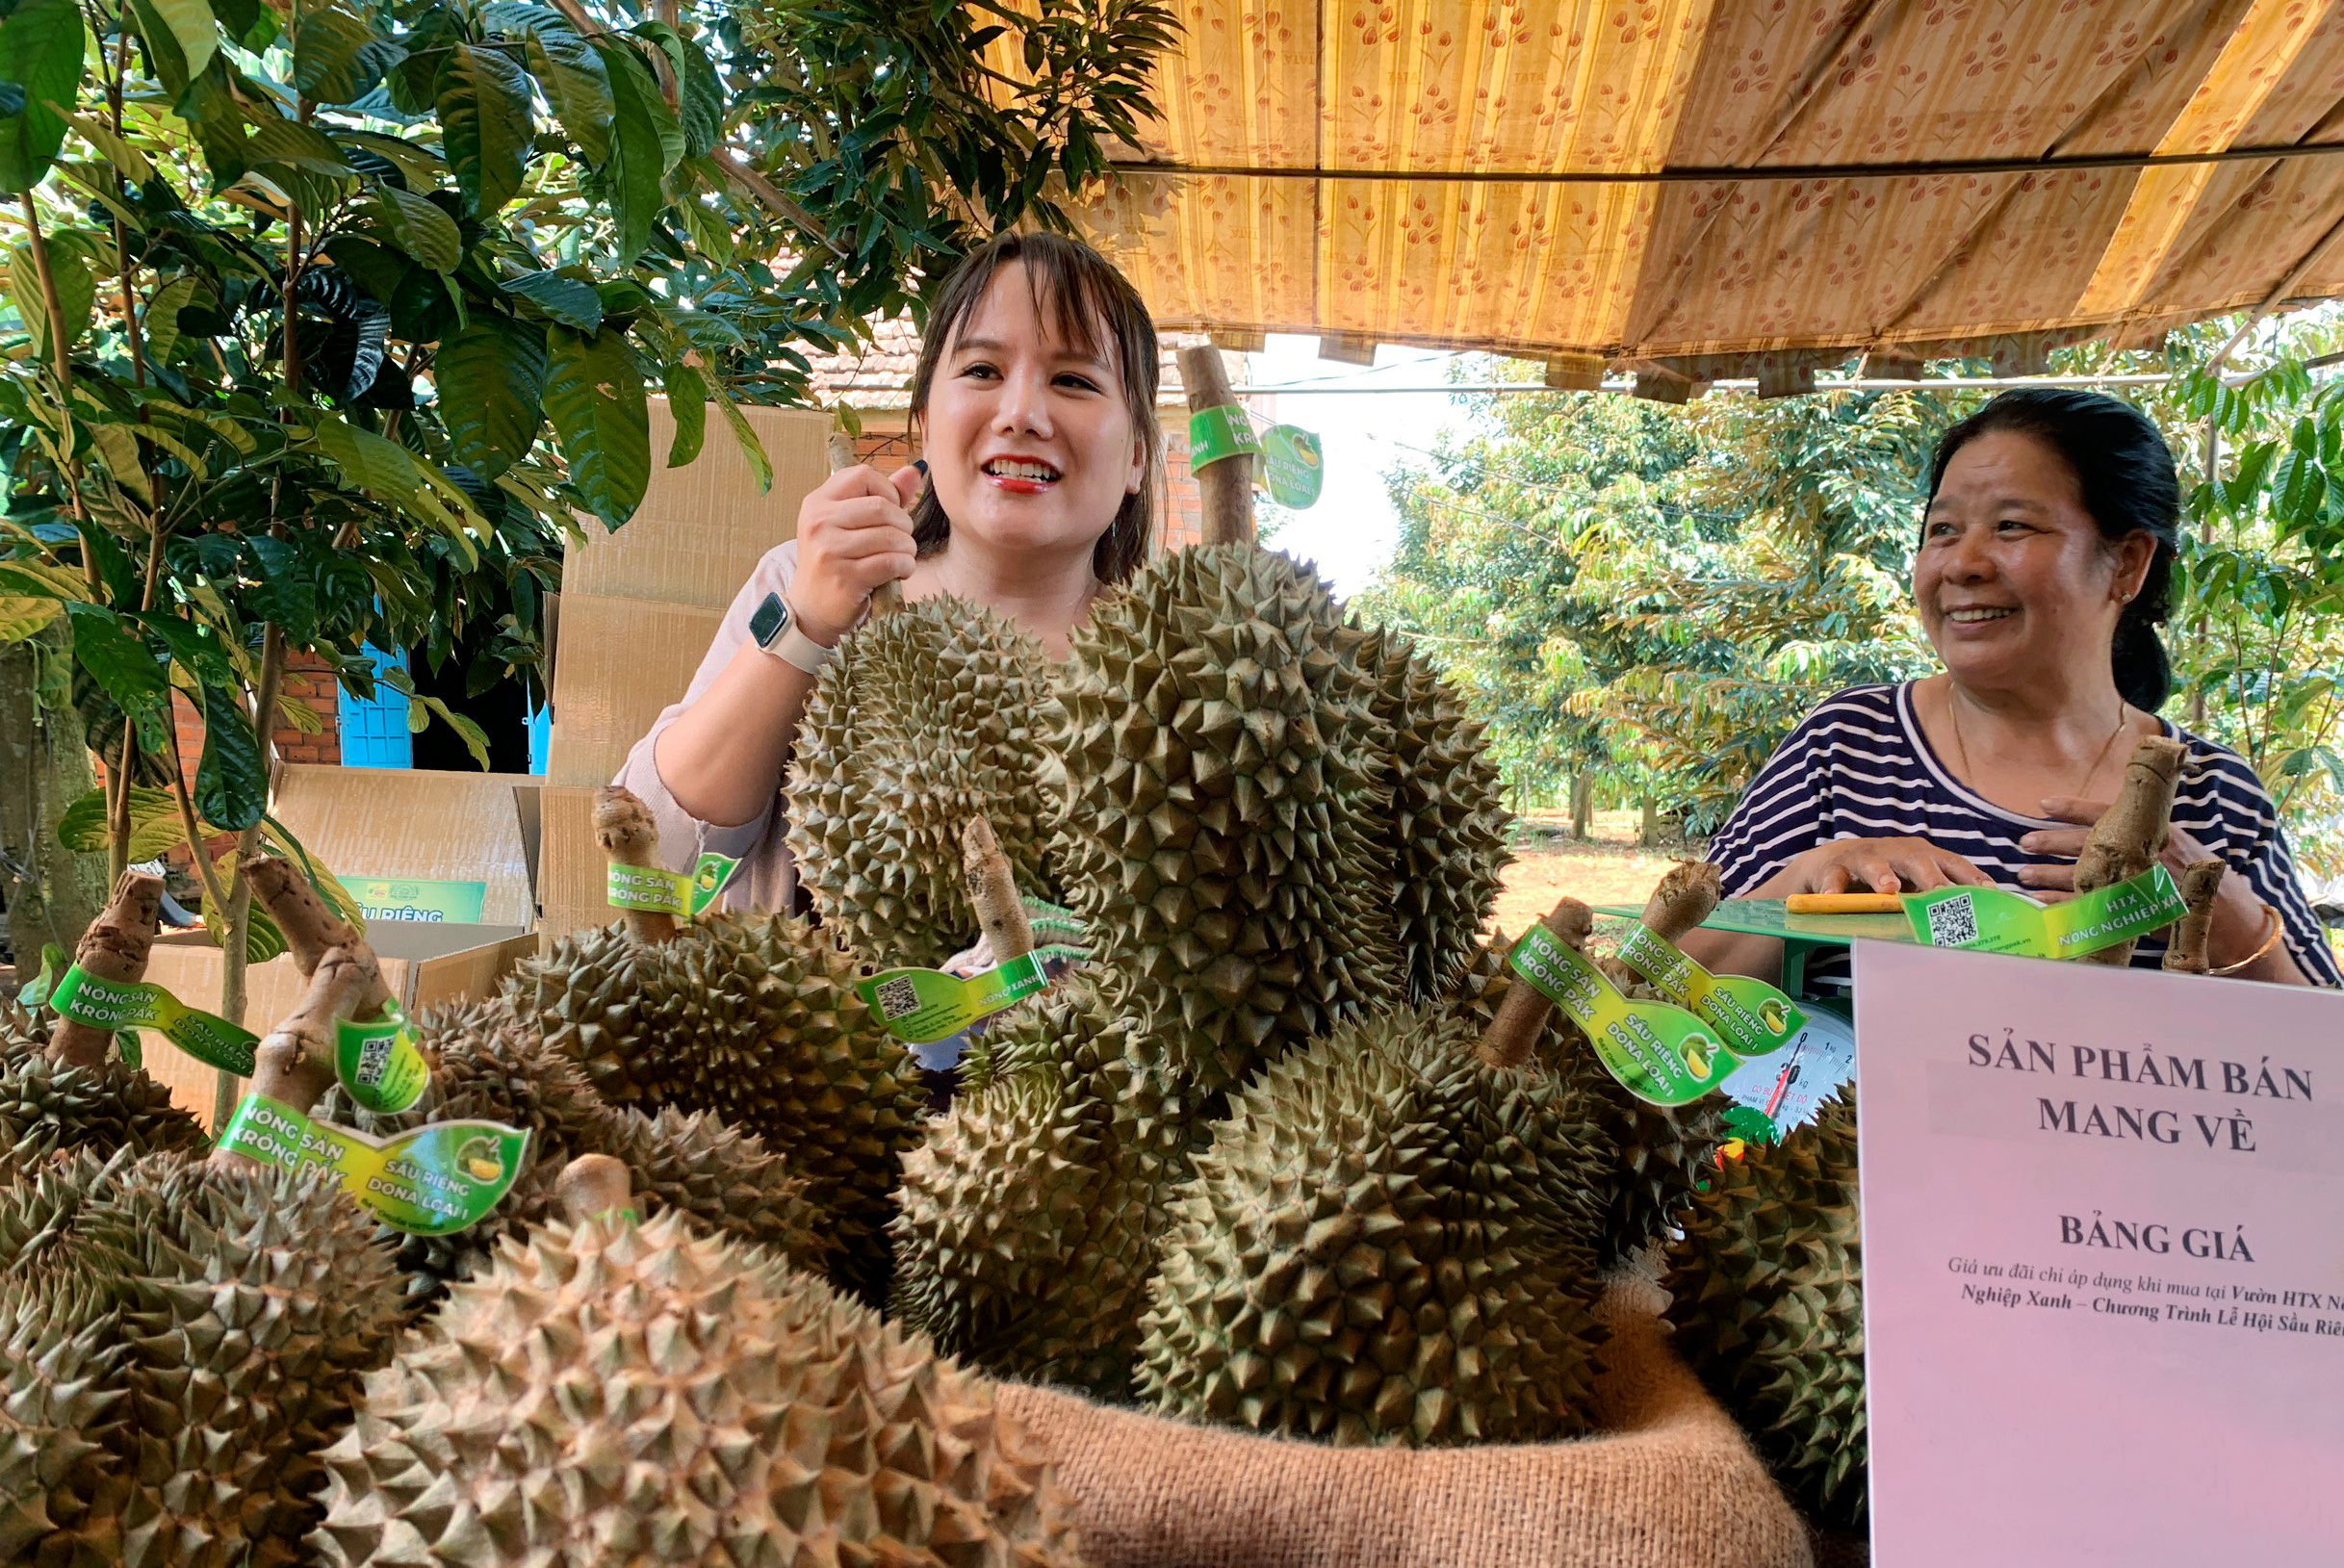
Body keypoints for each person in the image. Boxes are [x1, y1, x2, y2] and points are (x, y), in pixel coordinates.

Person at [1689, 388, 2340, 990]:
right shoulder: (1848, 748)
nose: (1961, 564)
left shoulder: (2213, 797)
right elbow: (1650, 993)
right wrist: (1808, 874)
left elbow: (2321, 1069)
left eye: (2010, 527)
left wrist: (2219, 912)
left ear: (2127, 562)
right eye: (1941, 530)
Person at [613, 232, 1163, 918]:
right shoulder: (798, 583)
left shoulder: (1175, 668)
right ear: (927, 425)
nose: (1022, 413)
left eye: (1074, 380)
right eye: (983, 371)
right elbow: (659, 868)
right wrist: (806, 623)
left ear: (1137, 453)